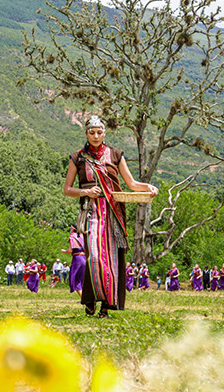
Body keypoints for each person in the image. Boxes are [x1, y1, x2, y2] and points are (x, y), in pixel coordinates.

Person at [64, 115, 158, 318]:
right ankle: (90, 299)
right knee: (95, 258)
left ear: (104, 133)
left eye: (99, 132)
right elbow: (67, 189)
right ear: (86, 134)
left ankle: (106, 305)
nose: (96, 136)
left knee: (112, 260)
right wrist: (85, 192)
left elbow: (131, 183)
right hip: (91, 213)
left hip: (113, 214)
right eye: (92, 132)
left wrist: (148, 187)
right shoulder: (78, 157)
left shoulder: (115, 155)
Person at [61, 224, 86, 297]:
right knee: (82, 279)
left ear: (73, 229)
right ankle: (87, 299)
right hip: (84, 257)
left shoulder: (72, 237)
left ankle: (84, 299)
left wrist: (64, 251)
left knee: (75, 279)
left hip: (77, 259)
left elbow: (70, 250)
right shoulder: (82, 236)